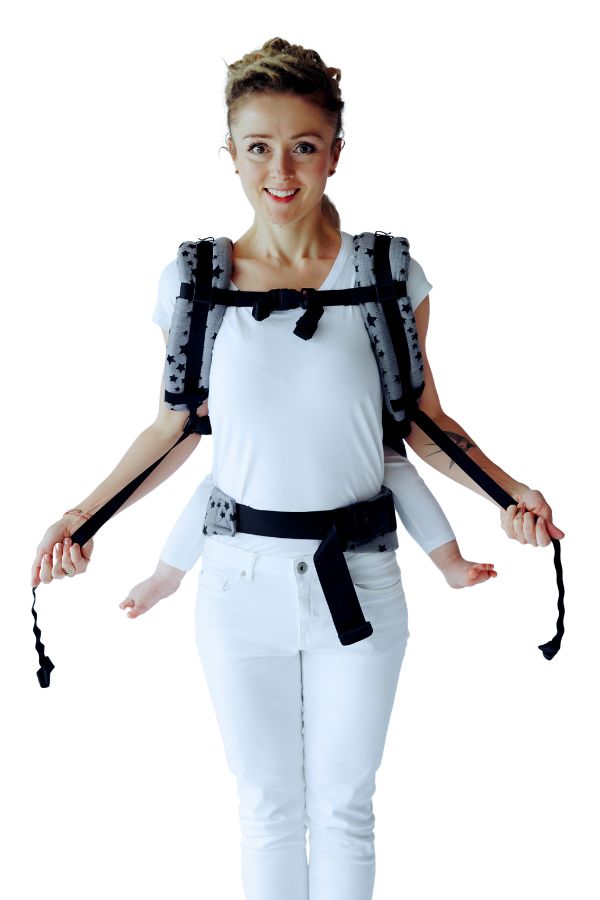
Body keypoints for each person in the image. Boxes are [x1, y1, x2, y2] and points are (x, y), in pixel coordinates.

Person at [30, 36, 565, 900]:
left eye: (304, 146)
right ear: (231, 153)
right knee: (267, 808)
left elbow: (422, 425)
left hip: (362, 580)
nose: (280, 171)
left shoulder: (388, 275)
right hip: (237, 586)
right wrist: (79, 518)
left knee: (347, 807)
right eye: (258, 147)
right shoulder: (195, 281)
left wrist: (511, 494)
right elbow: (176, 429)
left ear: (336, 153)